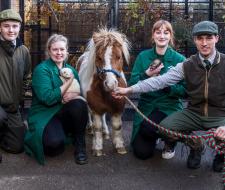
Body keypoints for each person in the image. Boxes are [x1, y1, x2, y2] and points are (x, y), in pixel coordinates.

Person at [113, 20, 225, 172]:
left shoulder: (220, 62)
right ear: (194, 40)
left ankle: (221, 155)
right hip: (194, 112)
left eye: (209, 38)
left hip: (219, 113)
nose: (204, 43)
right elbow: (159, 81)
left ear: (217, 38)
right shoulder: (187, 64)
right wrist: (129, 90)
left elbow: (182, 91)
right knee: (163, 129)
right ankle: (196, 145)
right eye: (200, 38)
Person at [24, 34, 88, 165]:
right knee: (54, 148)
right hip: (45, 113)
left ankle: (80, 144)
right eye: (55, 49)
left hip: (63, 111)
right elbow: (47, 98)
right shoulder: (41, 70)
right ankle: (54, 133)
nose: (59, 53)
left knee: (79, 104)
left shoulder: (71, 70)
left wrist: (74, 94)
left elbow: (79, 90)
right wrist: (68, 83)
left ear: (67, 51)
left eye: (62, 49)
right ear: (49, 51)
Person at [128, 20, 186, 160]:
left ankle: (169, 142)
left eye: (166, 33)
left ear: (170, 36)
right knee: (141, 153)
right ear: (153, 35)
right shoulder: (143, 57)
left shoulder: (179, 59)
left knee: (152, 127)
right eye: (158, 32)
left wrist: (166, 86)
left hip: (169, 107)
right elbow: (133, 83)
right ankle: (156, 135)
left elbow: (185, 90)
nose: (162, 36)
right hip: (147, 106)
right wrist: (146, 74)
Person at [0, 9, 31, 154]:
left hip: (13, 108)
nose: (11, 30)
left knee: (17, 147)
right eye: (6, 26)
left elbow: (27, 76)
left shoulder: (23, 50)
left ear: (19, 28)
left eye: (14, 26)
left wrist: (22, 97)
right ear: (0, 27)